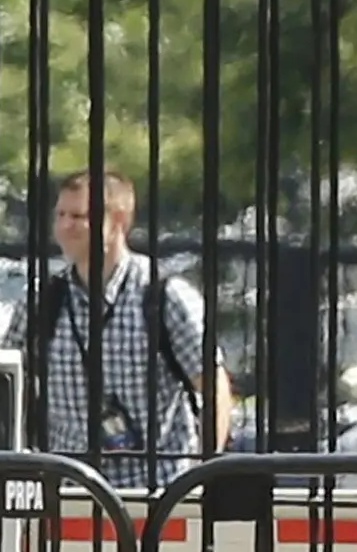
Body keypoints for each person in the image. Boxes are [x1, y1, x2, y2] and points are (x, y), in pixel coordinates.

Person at [22, 170, 234, 491]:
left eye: (78, 216)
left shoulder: (163, 296)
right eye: (60, 215)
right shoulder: (44, 302)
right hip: (67, 493)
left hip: (156, 492)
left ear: (118, 220)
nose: (64, 227)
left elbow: (212, 384)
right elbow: (7, 384)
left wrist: (202, 474)